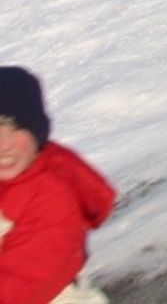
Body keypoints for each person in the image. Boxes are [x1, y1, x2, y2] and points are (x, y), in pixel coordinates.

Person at [1, 66, 116, 304]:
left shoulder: (54, 199)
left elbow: (18, 288)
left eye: (15, 128)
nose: (3, 144)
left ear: (36, 129)